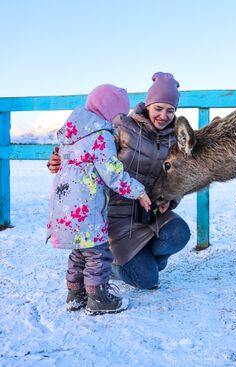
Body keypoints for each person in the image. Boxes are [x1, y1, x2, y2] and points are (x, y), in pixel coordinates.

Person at [48, 72, 191, 290]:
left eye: (170, 110)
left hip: (149, 214)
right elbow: (87, 150)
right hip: (116, 216)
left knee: (179, 233)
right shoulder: (121, 127)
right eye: (158, 108)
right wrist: (60, 161)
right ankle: (112, 264)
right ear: (148, 105)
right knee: (148, 280)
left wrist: (170, 199)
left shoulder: (175, 139)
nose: (163, 115)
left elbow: (181, 176)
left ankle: (144, 260)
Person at [47, 84, 152, 315]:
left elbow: (62, 163)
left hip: (63, 204)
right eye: (117, 116)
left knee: (79, 251)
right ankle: (97, 297)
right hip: (86, 207)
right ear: (107, 111)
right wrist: (139, 191)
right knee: (98, 253)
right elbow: (113, 175)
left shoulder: (71, 133)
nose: (118, 122)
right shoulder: (100, 135)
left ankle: (75, 294)